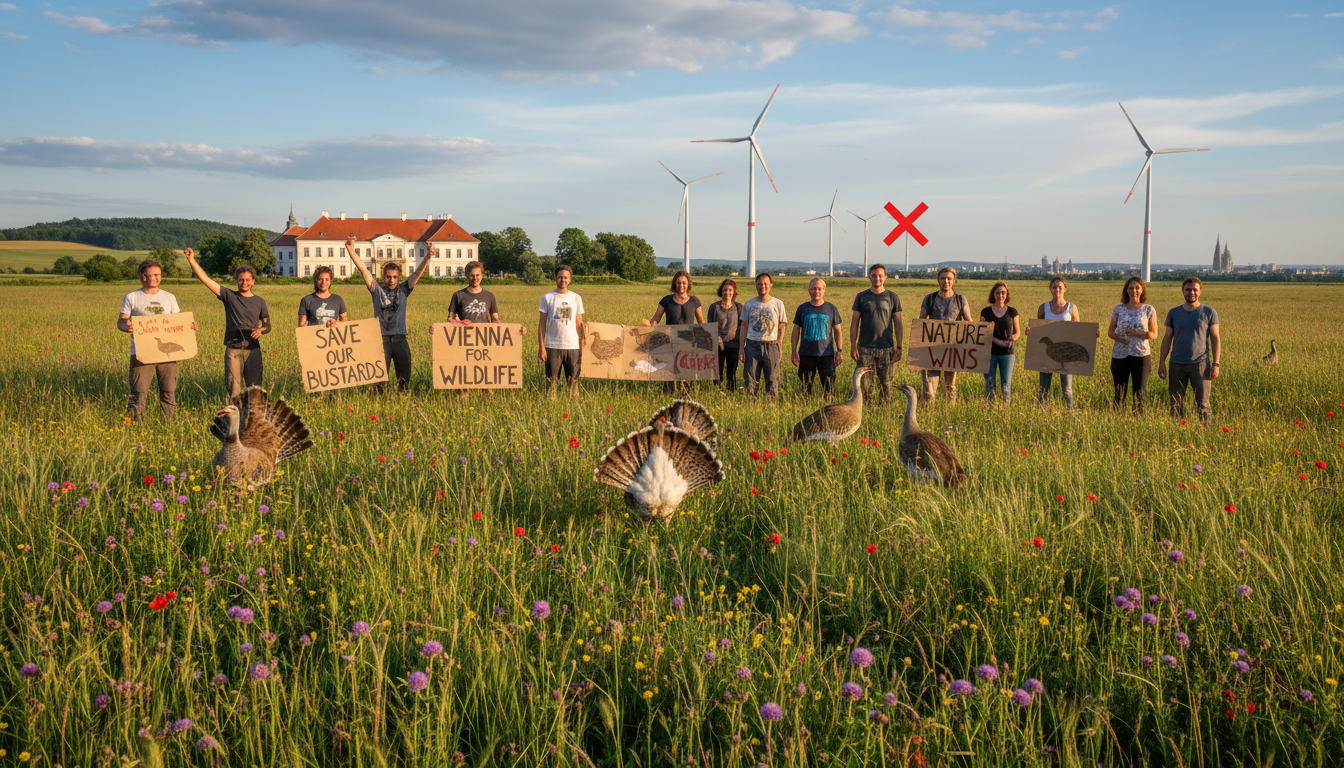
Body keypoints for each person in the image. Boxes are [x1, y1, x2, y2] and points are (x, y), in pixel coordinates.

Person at [346, 239, 431, 392]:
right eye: (388, 277)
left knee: (404, 377)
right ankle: (380, 400)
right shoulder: (376, 289)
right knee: (379, 379)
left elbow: (417, 273)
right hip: (381, 339)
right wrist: (350, 249)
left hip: (400, 338)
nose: (392, 280)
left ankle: (402, 398)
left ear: (399, 277)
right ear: (384, 276)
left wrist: (428, 257)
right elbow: (363, 270)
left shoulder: (404, 289)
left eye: (395, 277)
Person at [118, 257, 196, 419]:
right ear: (142, 276)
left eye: (158, 275)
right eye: (151, 275)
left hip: (167, 353)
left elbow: (177, 322)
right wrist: (126, 326)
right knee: (138, 392)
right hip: (141, 352)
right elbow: (121, 321)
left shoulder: (169, 297)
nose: (155, 278)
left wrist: (189, 326)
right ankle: (132, 424)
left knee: (169, 391)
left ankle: (169, 423)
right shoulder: (131, 297)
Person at [185, 249, 270, 397]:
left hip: (253, 350)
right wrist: (191, 259)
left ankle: (252, 412)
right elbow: (206, 279)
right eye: (241, 279)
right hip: (233, 350)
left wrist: (260, 330)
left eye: (248, 279)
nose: (244, 282)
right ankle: (235, 411)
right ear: (236, 279)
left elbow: (267, 326)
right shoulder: (229, 296)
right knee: (234, 390)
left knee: (254, 390)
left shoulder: (260, 301)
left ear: (253, 281)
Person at [445, 260, 524, 397]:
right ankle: (462, 401)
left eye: (477, 275)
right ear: (466, 275)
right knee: (464, 373)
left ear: (482, 276)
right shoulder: (458, 295)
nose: (475, 278)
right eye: (472, 275)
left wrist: (500, 324)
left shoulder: (489, 296)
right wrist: (460, 322)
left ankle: (487, 401)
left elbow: (495, 318)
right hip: (464, 342)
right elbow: (450, 319)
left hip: (485, 342)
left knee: (486, 373)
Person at [1158, 276, 1220, 424]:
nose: (1191, 292)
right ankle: (1177, 430)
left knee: (1203, 403)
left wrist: (1216, 364)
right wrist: (1161, 362)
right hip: (1176, 364)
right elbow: (1167, 339)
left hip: (1201, 364)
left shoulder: (1209, 312)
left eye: (1195, 290)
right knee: (1175, 403)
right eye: (1188, 289)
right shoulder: (1173, 313)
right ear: (1183, 291)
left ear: (1200, 291)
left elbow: (1215, 338)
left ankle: (1206, 431)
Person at [643, 270, 705, 393]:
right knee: (669, 366)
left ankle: (685, 392)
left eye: (684, 283)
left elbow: (701, 322)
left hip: (688, 341)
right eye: (678, 283)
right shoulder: (666, 300)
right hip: (670, 339)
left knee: (686, 366)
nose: (681, 285)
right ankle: (667, 391)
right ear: (674, 284)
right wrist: (651, 325)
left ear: (688, 284)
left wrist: (708, 335)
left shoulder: (694, 301)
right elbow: (656, 318)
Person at [917, 266, 973, 404]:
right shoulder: (930, 299)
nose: (946, 281)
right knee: (929, 387)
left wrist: (983, 332)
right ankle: (929, 412)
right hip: (932, 348)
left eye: (949, 278)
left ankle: (949, 412)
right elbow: (921, 321)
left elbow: (969, 321)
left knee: (950, 386)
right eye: (943, 278)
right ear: (938, 280)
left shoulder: (960, 299)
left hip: (953, 349)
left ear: (954, 280)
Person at [849, 263, 903, 404]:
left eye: (880, 276)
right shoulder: (861, 297)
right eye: (874, 275)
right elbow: (854, 323)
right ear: (869, 277)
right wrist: (853, 346)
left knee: (886, 384)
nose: (877, 278)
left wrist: (899, 347)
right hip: (865, 348)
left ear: (885, 277)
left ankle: (885, 410)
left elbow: (898, 323)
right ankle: (866, 410)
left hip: (886, 348)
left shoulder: (892, 297)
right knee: (864, 385)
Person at [1027, 276, 1081, 409]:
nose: (1057, 289)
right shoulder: (1043, 307)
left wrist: (1091, 334)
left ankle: (1070, 414)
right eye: (1054, 287)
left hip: (1065, 354)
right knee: (1043, 389)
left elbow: (1080, 329)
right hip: (1047, 354)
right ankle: (1041, 413)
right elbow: (1039, 329)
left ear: (1065, 289)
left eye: (1060, 287)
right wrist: (1031, 331)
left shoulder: (1072, 308)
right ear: (1050, 289)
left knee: (1067, 390)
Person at [1107, 276, 1157, 413]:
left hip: (1141, 356)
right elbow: (1110, 332)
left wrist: (1136, 333)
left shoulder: (1149, 309)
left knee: (1139, 393)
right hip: (1120, 355)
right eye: (1130, 288)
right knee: (1119, 392)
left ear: (1142, 290)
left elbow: (1154, 334)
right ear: (1126, 290)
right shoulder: (1118, 309)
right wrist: (1122, 340)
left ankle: (1138, 418)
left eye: (1137, 288)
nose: (1133, 290)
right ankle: (1118, 417)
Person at [537, 264, 585, 398]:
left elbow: (579, 323)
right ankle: (551, 405)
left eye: (565, 277)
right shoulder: (547, 297)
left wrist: (582, 346)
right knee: (551, 382)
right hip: (553, 346)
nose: (563, 280)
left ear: (570, 279)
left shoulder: (576, 298)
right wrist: (542, 347)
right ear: (556, 278)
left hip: (573, 346)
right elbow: (542, 324)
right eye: (560, 277)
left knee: (573, 382)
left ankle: (574, 404)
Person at [791, 278, 843, 398]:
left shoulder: (831, 308)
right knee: (805, 389)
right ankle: (806, 407)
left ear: (824, 290)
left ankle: (828, 408)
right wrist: (794, 351)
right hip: (806, 354)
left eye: (820, 289)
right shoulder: (802, 308)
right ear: (809, 290)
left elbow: (838, 331)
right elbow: (795, 331)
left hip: (827, 355)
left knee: (829, 389)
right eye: (814, 288)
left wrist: (839, 351)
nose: (817, 291)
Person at [738, 273, 788, 398]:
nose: (762, 286)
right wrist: (741, 348)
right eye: (760, 284)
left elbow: (782, 325)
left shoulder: (778, 304)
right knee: (750, 381)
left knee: (772, 380)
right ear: (756, 285)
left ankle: (771, 405)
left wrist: (779, 343)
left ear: (771, 285)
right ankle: (751, 405)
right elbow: (744, 325)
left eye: (765, 284)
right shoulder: (749, 304)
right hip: (752, 346)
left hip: (771, 345)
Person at [979, 281, 1019, 401]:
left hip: (1007, 353)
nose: (1000, 295)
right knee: (990, 384)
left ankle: (1005, 408)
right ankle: (990, 406)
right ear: (993, 294)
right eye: (997, 293)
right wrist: (995, 340)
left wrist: (1011, 340)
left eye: (1003, 293)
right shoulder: (985, 312)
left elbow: (1017, 332)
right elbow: (982, 332)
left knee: (1006, 385)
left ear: (1007, 295)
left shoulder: (1012, 312)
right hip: (989, 353)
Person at [708, 279, 743, 391]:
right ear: (721, 291)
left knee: (731, 372)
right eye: (725, 290)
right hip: (717, 344)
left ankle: (731, 393)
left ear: (734, 292)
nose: (727, 292)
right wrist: (717, 338)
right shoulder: (714, 307)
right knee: (717, 372)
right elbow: (709, 326)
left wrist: (742, 346)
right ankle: (717, 392)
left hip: (734, 345)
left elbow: (742, 327)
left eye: (730, 290)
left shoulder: (739, 307)